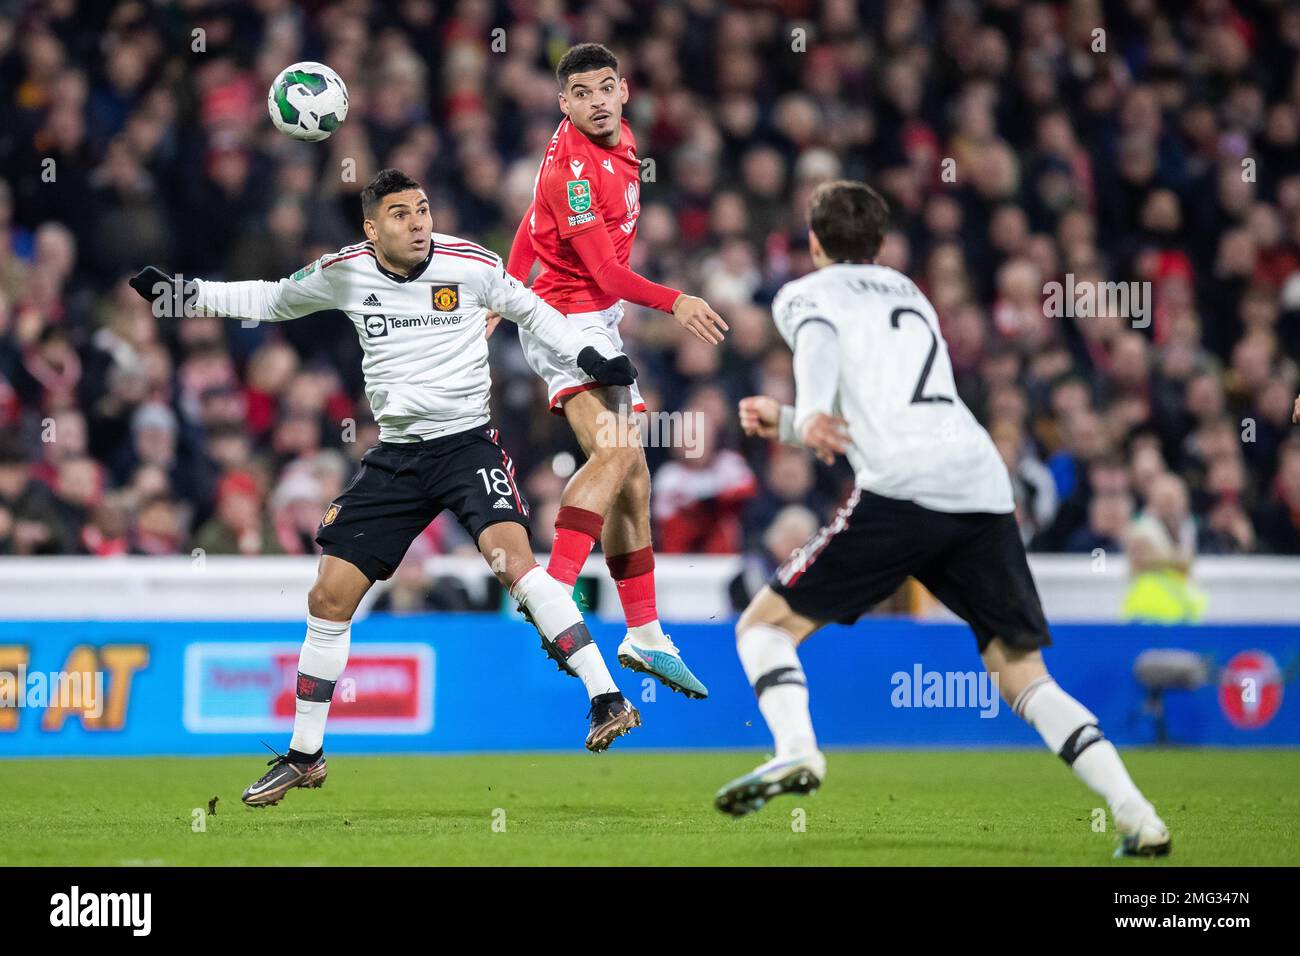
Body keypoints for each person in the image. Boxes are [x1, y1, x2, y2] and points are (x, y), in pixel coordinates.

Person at [129, 169, 643, 808]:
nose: (418, 222)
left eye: (423, 209)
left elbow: (534, 311)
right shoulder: (344, 271)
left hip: (465, 445)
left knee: (515, 563)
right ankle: (305, 755)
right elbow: (269, 300)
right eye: (401, 214)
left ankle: (607, 698)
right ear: (373, 229)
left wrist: (591, 357)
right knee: (329, 597)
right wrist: (188, 293)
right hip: (396, 458)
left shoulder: (472, 264)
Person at [718, 180, 1171, 857]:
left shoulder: (804, 293)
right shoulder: (910, 294)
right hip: (980, 482)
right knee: (1024, 676)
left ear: (813, 243)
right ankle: (1139, 816)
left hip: (905, 489)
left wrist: (805, 409)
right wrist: (790, 423)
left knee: (763, 629)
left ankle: (798, 750)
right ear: (881, 245)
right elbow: (886, 407)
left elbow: (819, 350)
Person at [501, 43, 728, 699]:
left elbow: (528, 222)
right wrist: (677, 298)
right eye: (583, 91)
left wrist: (506, 282)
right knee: (618, 449)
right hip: (565, 319)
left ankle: (646, 633)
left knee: (632, 472)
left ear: (624, 90)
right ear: (564, 102)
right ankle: (554, 589)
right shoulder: (572, 172)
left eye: (607, 87)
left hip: (597, 315)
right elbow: (603, 273)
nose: (598, 100)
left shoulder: (614, 136)